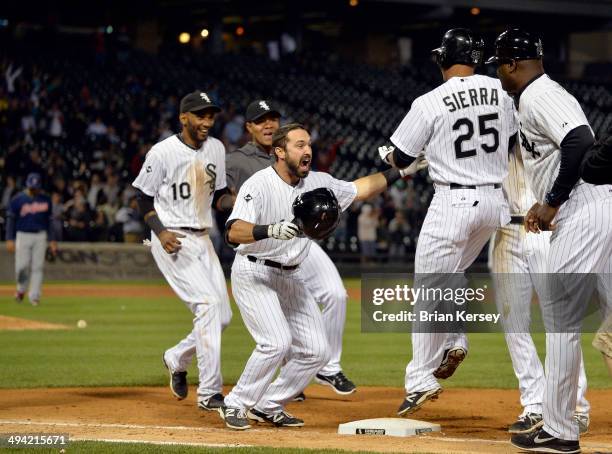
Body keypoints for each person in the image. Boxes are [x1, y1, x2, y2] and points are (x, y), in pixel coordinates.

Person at [218, 123, 426, 430]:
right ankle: (235, 403)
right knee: (276, 343)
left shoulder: (318, 181)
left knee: (317, 350)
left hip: (291, 276)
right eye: (299, 145)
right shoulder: (259, 184)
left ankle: (269, 403)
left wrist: (405, 171)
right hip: (254, 270)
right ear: (279, 151)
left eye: (309, 145)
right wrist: (268, 230)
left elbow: (360, 189)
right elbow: (233, 231)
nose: (307, 151)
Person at [165, 99, 359, 401]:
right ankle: (252, 390)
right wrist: (251, 206)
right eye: (261, 120)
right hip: (261, 240)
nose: (269, 125)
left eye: (273, 119)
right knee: (269, 335)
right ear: (249, 128)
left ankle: (325, 367)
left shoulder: (295, 155)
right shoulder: (238, 160)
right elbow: (221, 200)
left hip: (297, 238)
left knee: (334, 294)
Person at [379, 28, 516, 416]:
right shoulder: (502, 93)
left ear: (443, 58)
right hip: (494, 200)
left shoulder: (429, 101)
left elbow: (403, 159)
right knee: (452, 276)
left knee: (427, 289)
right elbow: (510, 142)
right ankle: (455, 338)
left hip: (454, 200)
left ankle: (420, 378)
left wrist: (393, 156)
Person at [488, 28, 612, 453]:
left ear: (510, 65)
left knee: (561, 324)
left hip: (581, 210)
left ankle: (560, 430)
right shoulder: (536, 94)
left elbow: (581, 140)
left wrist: (552, 202)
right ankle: (559, 424)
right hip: (597, 209)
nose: (499, 75)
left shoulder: (539, 93)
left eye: (499, 66)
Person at [132, 90, 234, 412]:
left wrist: (242, 201)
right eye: (201, 115)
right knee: (207, 306)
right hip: (172, 237)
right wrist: (160, 233)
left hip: (204, 237)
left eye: (211, 115)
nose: (207, 121)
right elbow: (142, 199)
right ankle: (210, 392)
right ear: (184, 117)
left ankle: (176, 357)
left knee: (223, 316)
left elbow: (219, 197)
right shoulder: (162, 152)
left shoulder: (216, 148)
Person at [488, 143, 600, 436]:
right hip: (505, 230)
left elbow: (576, 151)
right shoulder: (493, 115)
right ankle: (534, 403)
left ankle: (575, 407)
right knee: (514, 324)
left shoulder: (539, 113)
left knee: (560, 323)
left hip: (545, 225)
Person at [5, 173, 57, 306]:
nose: (33, 189)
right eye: (31, 187)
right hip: (23, 234)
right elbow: (11, 220)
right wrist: (9, 238)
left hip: (40, 235)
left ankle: (34, 296)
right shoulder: (18, 200)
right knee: (21, 267)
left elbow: (50, 221)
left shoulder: (45, 200)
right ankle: (21, 289)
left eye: (36, 187)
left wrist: (52, 240)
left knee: (37, 267)